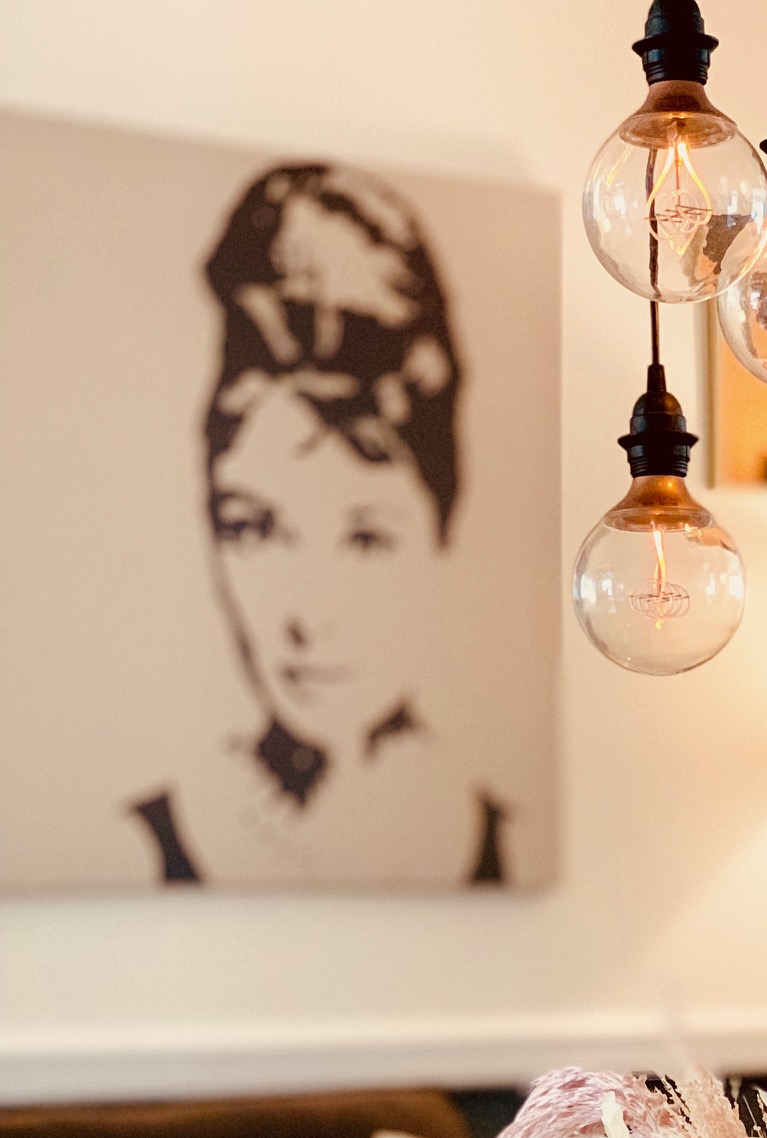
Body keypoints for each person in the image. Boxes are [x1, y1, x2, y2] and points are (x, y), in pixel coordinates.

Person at [130, 162, 509, 886]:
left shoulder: (507, 846)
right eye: (254, 530)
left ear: (442, 529)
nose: (309, 620)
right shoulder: (138, 848)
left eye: (367, 538)